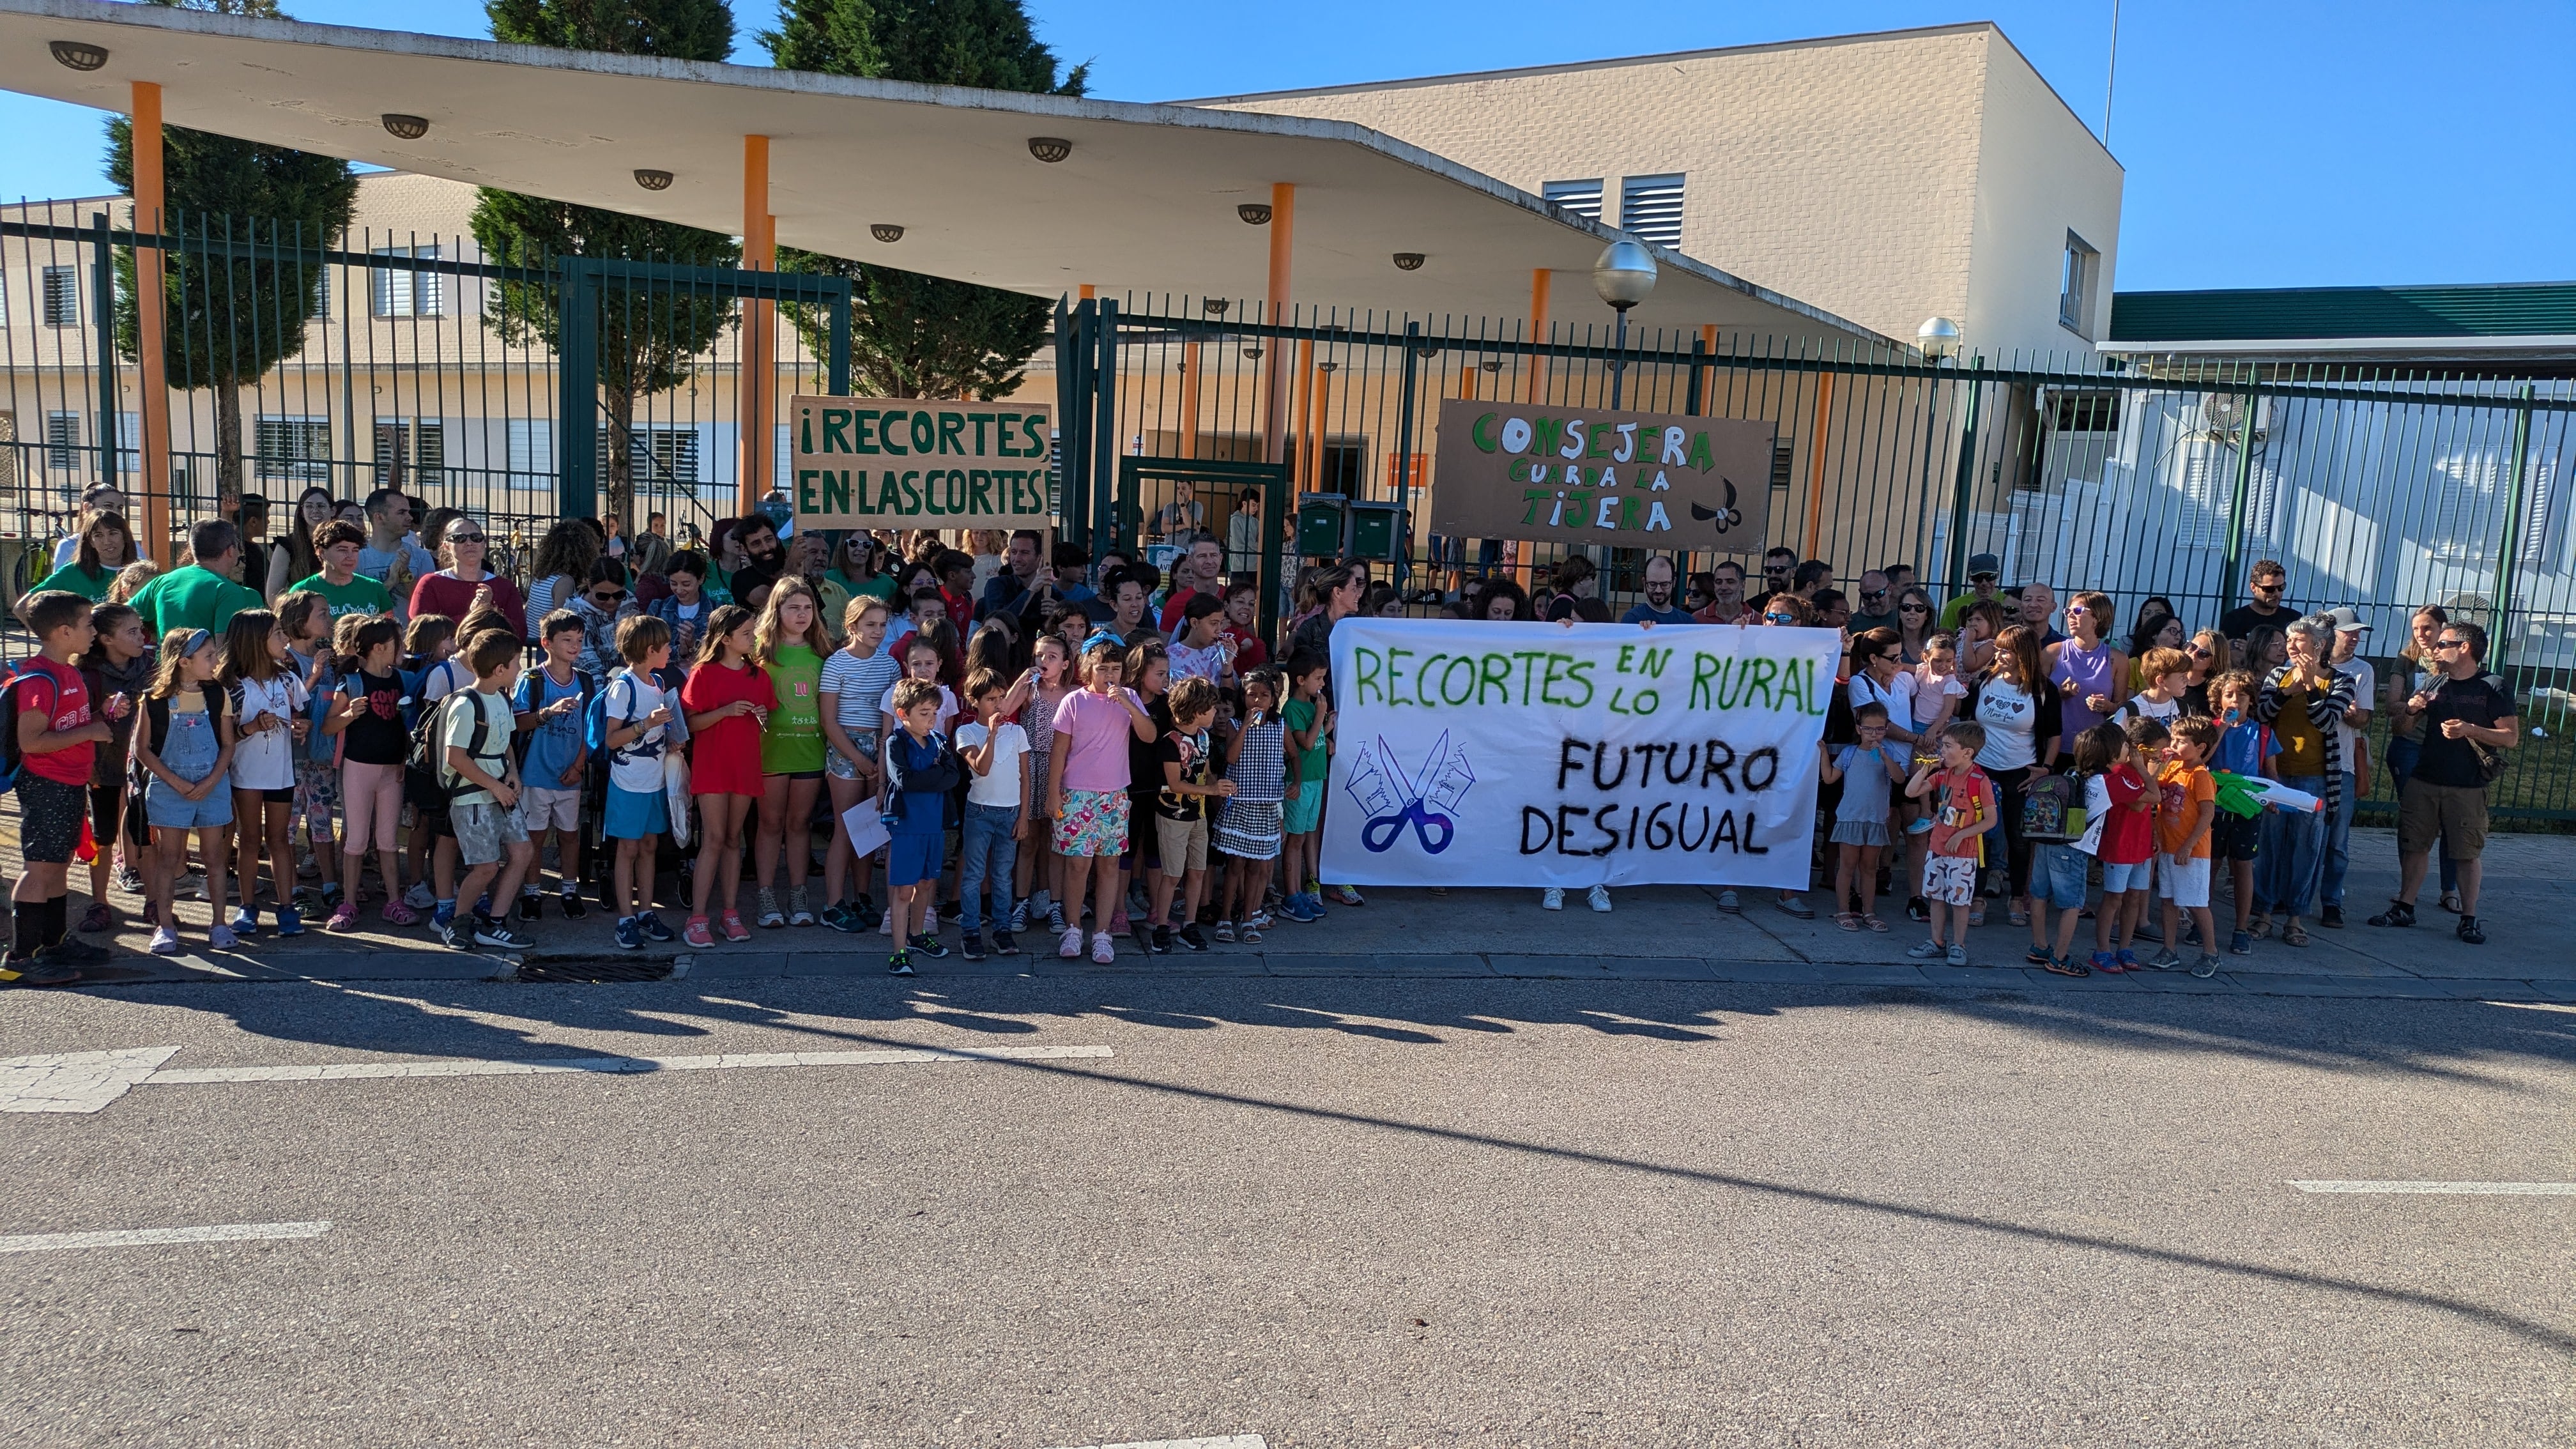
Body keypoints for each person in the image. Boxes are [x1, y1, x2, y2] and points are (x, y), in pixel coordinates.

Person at [2368, 620, 2516, 946]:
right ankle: (2405, 907)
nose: (2434, 648)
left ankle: (2469, 918)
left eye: (2442, 644)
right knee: (2414, 845)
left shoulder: (2492, 686)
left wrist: (2469, 729)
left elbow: (2510, 737)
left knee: (2465, 852)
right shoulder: (2435, 681)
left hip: (2467, 785)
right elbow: (2401, 730)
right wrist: (2411, 708)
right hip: (2424, 777)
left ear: (2464, 648)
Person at [6, 594, 114, 982]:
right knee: (39, 868)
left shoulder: (68, 671)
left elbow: (68, 727)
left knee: (58, 864)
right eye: (88, 624)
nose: (94, 631)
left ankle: (53, 943)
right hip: (45, 785)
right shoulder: (39, 680)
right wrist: (92, 730)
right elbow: (32, 742)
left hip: (69, 782)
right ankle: (21, 957)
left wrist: (100, 719)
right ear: (64, 631)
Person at [1046, 636, 1159, 963]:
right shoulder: (1074, 701)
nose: (1110, 675)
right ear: (1087, 670)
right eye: (1102, 669)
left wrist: (1127, 704)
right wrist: (1053, 793)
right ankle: (1072, 929)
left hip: (1114, 794)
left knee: (1109, 865)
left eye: (1115, 669)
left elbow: (1149, 735)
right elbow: (1059, 751)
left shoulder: (1132, 698)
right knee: (1077, 865)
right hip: (1077, 794)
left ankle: (1103, 933)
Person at [2249, 615, 2354, 947]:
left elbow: (2326, 722)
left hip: (2316, 778)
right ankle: (2263, 913)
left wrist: (2309, 687)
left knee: (2306, 849)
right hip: (2276, 774)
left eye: (2298, 641)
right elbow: (2263, 714)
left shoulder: (2341, 680)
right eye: (2288, 641)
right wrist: (2286, 691)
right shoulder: (2277, 675)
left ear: (2319, 646)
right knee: (2268, 846)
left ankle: (2295, 918)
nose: (2290, 647)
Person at [431, 629, 538, 953]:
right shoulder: (466, 704)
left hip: (501, 792)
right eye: (516, 663)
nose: (520, 669)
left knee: (523, 852)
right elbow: (456, 757)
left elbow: (505, 744)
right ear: (499, 670)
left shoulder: (502, 699)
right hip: (473, 797)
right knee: (486, 866)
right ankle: (458, 923)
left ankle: (494, 924)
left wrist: (514, 775)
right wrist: (494, 786)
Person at [680, 604, 773, 947]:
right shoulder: (703, 673)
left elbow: (765, 721)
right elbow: (692, 724)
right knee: (714, 839)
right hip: (713, 764)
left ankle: (730, 913)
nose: (754, 638)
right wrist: (725, 712)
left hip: (744, 764)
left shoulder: (759, 676)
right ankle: (697, 918)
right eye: (747, 633)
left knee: (734, 839)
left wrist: (761, 715)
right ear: (726, 638)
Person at [319, 617, 415, 933]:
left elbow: (406, 726)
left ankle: (393, 901)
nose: (401, 650)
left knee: (388, 840)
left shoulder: (402, 679)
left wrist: (404, 759)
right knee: (356, 839)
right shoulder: (352, 682)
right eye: (396, 645)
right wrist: (348, 714)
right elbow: (328, 726)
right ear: (379, 648)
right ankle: (348, 903)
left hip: (392, 769)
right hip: (358, 768)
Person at [1963, 624, 2062, 928]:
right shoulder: (1983, 681)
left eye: (2008, 650)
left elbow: (2055, 735)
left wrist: (2044, 768)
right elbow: (1966, 720)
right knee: (1981, 836)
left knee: (2018, 840)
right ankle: (1976, 897)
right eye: (2000, 649)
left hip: (2022, 773)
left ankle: (2017, 896)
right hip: (1982, 769)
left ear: (2024, 655)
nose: (2001, 655)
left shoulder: (2044, 690)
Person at [219, 609, 310, 939]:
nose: (284, 639)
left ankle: (287, 907)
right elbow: (223, 736)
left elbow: (300, 714)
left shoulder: (288, 679)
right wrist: (251, 727)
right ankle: (248, 907)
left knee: (280, 840)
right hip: (244, 775)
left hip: (281, 774)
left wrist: (302, 726)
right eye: (277, 633)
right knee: (249, 840)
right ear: (256, 641)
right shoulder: (231, 685)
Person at [747, 579, 831, 929]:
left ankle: (799, 896)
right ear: (776, 611)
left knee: (800, 826)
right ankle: (766, 896)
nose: (801, 614)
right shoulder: (757, 652)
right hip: (771, 752)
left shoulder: (823, 653)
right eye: (793, 607)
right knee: (769, 824)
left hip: (810, 751)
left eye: (807, 608)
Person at [599, 615, 681, 951]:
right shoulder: (624, 686)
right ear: (650, 650)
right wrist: (645, 725)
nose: (670, 650)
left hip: (654, 782)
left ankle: (646, 914)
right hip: (628, 784)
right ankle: (625, 919)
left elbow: (656, 731)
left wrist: (671, 739)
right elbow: (611, 739)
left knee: (649, 848)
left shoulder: (657, 684)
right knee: (628, 850)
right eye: (665, 646)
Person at [819, 598, 899, 934]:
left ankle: (862, 896)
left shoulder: (890, 666)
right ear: (852, 627)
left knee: (868, 827)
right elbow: (829, 720)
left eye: (882, 625)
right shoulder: (836, 664)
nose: (878, 632)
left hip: (880, 746)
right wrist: (858, 757)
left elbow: (892, 714)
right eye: (870, 625)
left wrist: (879, 757)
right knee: (845, 827)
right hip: (846, 748)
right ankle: (833, 904)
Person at [510, 611, 594, 923]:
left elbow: (590, 730)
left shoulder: (585, 680)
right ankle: (532, 892)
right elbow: (517, 724)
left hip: (569, 775)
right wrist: (548, 712)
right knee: (534, 836)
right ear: (546, 643)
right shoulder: (531, 679)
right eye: (567, 640)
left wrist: (579, 765)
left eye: (579, 640)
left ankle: (570, 891)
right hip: (535, 774)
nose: (575, 646)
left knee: (569, 835)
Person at [74, 602, 151, 936]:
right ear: (105, 638)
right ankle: (99, 902)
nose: (142, 637)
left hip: (146, 767)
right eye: (132, 632)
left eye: (141, 629)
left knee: (147, 836)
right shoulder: (87, 676)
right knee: (103, 838)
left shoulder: (150, 666)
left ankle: (156, 902)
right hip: (103, 768)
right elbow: (72, 723)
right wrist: (99, 712)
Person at [1142, 675, 1233, 954]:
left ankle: (1190, 925)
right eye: (1211, 709)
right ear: (1196, 711)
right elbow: (1176, 784)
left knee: (1197, 871)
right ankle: (1161, 926)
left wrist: (1219, 785)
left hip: (1199, 816)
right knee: (1172, 875)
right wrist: (1212, 790)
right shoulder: (1170, 742)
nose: (1215, 713)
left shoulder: (1203, 737)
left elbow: (1204, 773)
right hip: (1173, 816)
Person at [878, 677, 962, 976]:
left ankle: (916, 935)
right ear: (903, 714)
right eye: (924, 713)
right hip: (907, 827)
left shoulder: (939, 742)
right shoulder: (896, 742)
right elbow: (904, 780)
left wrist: (934, 777)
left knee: (927, 882)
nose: (932, 719)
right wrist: (936, 777)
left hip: (933, 826)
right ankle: (898, 954)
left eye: (935, 713)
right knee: (903, 891)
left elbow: (953, 777)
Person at [2381, 604, 2461, 912]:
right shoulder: (2407, 659)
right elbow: (2391, 705)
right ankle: (2407, 891)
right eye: (2416, 628)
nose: (2421, 634)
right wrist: (2413, 705)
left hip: (2447, 748)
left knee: (2449, 820)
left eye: (2427, 628)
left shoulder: (2455, 660)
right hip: (2410, 746)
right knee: (2415, 822)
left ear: (2443, 627)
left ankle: (2449, 889)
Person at [953, 668, 1034, 962]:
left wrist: (1024, 817)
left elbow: (1025, 777)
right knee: (974, 874)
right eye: (991, 699)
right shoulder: (966, 732)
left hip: (1010, 812)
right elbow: (981, 767)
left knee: (1002, 876)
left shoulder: (1018, 732)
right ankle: (971, 932)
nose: (998, 705)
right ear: (974, 701)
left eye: (1001, 698)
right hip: (980, 812)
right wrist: (992, 732)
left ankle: (1002, 930)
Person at [1905, 721, 1996, 969]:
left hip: (1963, 853)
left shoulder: (1979, 780)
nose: (1942, 751)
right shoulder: (1943, 775)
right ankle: (1936, 942)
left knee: (1959, 901)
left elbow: (1991, 820)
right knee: (1935, 897)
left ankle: (1958, 944)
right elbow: (1911, 792)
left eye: (1947, 746)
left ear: (1967, 752)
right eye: (1942, 746)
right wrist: (1926, 769)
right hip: (1937, 848)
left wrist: (1961, 835)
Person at [1213, 666, 1288, 944]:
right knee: (1235, 865)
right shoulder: (1234, 725)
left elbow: (1293, 754)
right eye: (1251, 695)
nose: (1257, 701)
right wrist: (1244, 725)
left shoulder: (1280, 725)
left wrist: (1296, 782)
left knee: (1257, 867)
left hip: (1267, 806)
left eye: (1264, 695)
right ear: (1242, 697)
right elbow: (1231, 759)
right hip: (1241, 804)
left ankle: (1248, 918)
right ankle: (1224, 917)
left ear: (1273, 698)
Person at [2206, 669, 2276, 956]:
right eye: (2229, 695)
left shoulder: (2262, 732)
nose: (2235, 701)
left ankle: (2240, 928)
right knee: (2210, 865)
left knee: (2243, 865)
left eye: (2242, 696)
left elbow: (2271, 772)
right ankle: (2203, 923)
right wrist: (2220, 729)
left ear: (2251, 700)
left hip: (2247, 808)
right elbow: (2202, 758)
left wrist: (2273, 798)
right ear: (2219, 699)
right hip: (2213, 807)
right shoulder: (2210, 729)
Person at [1822, 702, 1906, 933]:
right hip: (1850, 819)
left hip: (1875, 820)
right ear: (1859, 729)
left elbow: (1899, 779)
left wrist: (1885, 757)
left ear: (1886, 729)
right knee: (1847, 866)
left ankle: (1869, 911)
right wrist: (1822, 753)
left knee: (1870, 868)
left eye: (1879, 729)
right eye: (1868, 729)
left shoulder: (1887, 754)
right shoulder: (1849, 754)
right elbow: (1829, 778)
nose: (1874, 734)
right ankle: (1843, 910)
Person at [2152, 717, 2225, 977]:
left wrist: (2188, 845)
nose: (2174, 745)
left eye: (2181, 742)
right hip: (2169, 847)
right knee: (2168, 900)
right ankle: (2169, 949)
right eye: (2174, 739)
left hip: (2191, 853)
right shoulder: (2172, 769)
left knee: (2195, 903)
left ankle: (2211, 952)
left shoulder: (2200, 776)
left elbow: (2207, 814)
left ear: (2201, 747)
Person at [2317, 606, 2375, 928]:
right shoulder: (2306, 666)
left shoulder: (2362, 670)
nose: (2354, 638)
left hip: (2342, 762)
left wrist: (2347, 712)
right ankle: (2288, 896)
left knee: (2338, 840)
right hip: (2308, 761)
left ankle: (2331, 901)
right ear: (2330, 635)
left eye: (2357, 633)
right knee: (2300, 835)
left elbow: (2363, 718)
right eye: (2348, 631)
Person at [132, 519, 266, 638]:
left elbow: (117, 617)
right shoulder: (227, 590)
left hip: (166, 665)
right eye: (239, 547)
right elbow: (225, 650)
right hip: (208, 666)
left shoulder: (162, 581)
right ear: (230, 551)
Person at [1277, 651, 1333, 923]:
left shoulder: (1312, 706)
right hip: (1299, 784)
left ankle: (1298, 893)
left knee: (1304, 835)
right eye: (1318, 679)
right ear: (1301, 680)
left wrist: (1327, 727)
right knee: (1295, 839)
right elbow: (1306, 743)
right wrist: (1321, 716)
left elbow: (1318, 739)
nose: (1322, 684)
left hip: (1315, 779)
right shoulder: (1293, 709)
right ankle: (1291, 896)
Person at [409, 514, 528, 639]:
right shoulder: (431, 583)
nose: (469, 543)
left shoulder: (505, 587)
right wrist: (472, 614)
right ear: (446, 546)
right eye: (459, 538)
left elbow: (519, 633)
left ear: (484, 543)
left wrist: (490, 610)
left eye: (476, 538)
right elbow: (421, 632)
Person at [2045, 590, 2127, 755]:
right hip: (2054, 748)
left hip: (2096, 749)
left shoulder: (2117, 658)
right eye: (2068, 611)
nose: (2070, 616)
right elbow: (2033, 697)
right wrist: (2058, 694)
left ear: (2097, 618)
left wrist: (2107, 706)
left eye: (2077, 611)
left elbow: (2122, 706)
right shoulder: (2052, 652)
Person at [289, 519, 397, 626]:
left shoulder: (375, 588)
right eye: (343, 550)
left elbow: (390, 632)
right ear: (322, 552)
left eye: (355, 550)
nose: (350, 557)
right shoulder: (302, 591)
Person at [523, 519, 602, 643]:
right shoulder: (564, 582)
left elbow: (528, 611)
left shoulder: (541, 577)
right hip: (552, 646)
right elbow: (562, 620)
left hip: (536, 641)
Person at [357, 487, 436, 604]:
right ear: (379, 517)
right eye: (401, 513)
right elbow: (357, 604)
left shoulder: (422, 557)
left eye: (408, 512)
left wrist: (405, 574)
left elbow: (428, 603)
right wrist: (391, 582)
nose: (410, 517)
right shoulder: (357, 558)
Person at [1156, 533, 1228, 635]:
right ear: (1190, 561)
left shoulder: (1232, 598)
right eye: (1202, 556)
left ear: (1220, 559)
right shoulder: (1175, 603)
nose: (1209, 561)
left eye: (1213, 555)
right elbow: (1167, 648)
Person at [50, 483, 128, 572]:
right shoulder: (69, 546)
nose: (115, 512)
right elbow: (60, 584)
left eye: (120, 508)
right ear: (87, 507)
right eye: (108, 506)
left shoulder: (131, 544)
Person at [2219, 559, 2297, 643]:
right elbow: (2233, 653)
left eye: (2281, 587)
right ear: (2253, 587)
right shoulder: (2235, 619)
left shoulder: (2293, 618)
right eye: (2269, 589)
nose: (2277, 593)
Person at [977, 528, 1046, 621]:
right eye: (1014, 552)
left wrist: (1057, 615)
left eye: (1024, 553)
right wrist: (1031, 591)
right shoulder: (997, 585)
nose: (1017, 559)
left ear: (1039, 558)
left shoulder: (1049, 592)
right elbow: (999, 621)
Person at [1621, 555, 1695, 626]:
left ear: (1674, 582)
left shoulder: (1687, 622)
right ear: (1644, 583)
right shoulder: (1632, 619)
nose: (1658, 590)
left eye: (1664, 584)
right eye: (1653, 584)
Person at [1938, 553, 2004, 631]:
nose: (1984, 583)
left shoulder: (2009, 602)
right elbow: (1945, 636)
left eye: (1989, 576)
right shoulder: (1954, 606)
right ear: (1970, 576)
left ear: (1998, 574)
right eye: (1978, 578)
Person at [1692, 560, 1752, 625]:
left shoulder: (1759, 621)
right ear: (1714, 585)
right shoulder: (1697, 618)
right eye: (1719, 582)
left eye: (1730, 582)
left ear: (1743, 585)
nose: (1723, 587)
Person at [1846, 571, 1899, 635]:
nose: (1874, 601)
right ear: (1860, 593)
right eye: (1867, 596)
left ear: (1889, 589)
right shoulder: (1851, 623)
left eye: (1879, 594)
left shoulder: (1902, 619)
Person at [1226, 490, 1264, 578]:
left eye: (1258, 506)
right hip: (1239, 567)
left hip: (1255, 567)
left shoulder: (1256, 522)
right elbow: (1239, 546)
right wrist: (1257, 547)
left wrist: (1255, 546)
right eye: (1254, 505)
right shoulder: (1235, 520)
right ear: (1244, 503)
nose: (1256, 508)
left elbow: (1261, 544)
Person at [627, 512, 674, 582]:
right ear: (649, 526)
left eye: (662, 525)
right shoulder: (642, 542)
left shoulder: (670, 543)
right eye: (656, 525)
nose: (660, 529)